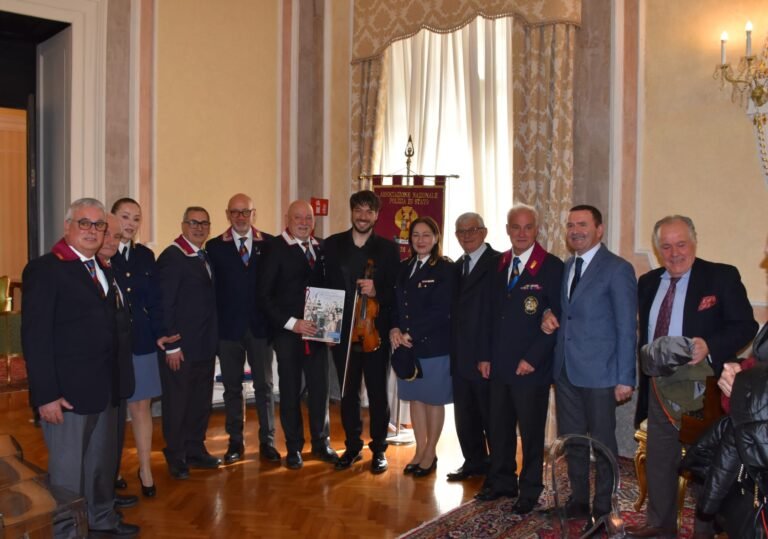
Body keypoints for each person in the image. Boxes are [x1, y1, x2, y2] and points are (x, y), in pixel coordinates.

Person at [626, 215, 757, 539]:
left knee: (706, 463)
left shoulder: (721, 276)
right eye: (666, 246)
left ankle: (704, 530)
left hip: (706, 389)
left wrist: (708, 345)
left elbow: (746, 326)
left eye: (681, 244)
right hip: (660, 386)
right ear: (658, 250)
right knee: (659, 458)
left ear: (694, 243)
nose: (674, 253)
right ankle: (660, 524)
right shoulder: (648, 282)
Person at [22, 198, 140, 537]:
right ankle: (68, 533)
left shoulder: (100, 267)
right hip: (67, 396)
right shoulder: (46, 269)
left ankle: (101, 520)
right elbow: (36, 338)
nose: (92, 231)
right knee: (67, 475)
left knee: (100, 467)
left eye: (98, 225)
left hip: (104, 390)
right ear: (67, 227)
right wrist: (46, 396)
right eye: (83, 223)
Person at [541, 204, 637, 531]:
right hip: (566, 370)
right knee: (573, 441)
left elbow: (627, 327)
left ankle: (603, 506)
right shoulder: (568, 266)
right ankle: (579, 499)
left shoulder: (617, 268)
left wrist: (626, 377)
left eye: (582, 224)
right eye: (570, 225)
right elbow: (566, 313)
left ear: (599, 229)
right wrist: (546, 317)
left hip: (601, 373)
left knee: (603, 442)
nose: (575, 230)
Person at [475, 204, 563, 513]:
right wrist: (484, 356)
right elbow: (487, 313)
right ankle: (502, 481)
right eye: (516, 227)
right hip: (498, 365)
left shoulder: (551, 266)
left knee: (531, 432)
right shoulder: (498, 264)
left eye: (528, 227)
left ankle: (530, 490)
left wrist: (533, 359)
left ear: (537, 230)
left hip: (530, 368)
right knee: (498, 428)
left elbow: (556, 320)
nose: (522, 233)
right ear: (508, 229)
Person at [323, 190, 400, 474]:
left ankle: (379, 449)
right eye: (359, 210)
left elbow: (396, 291)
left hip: (373, 333)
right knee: (347, 392)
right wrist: (328, 332)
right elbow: (327, 289)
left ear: (377, 215)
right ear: (352, 211)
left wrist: (377, 290)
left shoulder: (388, 250)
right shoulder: (332, 245)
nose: (363, 216)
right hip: (342, 333)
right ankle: (352, 446)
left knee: (378, 393)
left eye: (369, 211)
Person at [258, 200, 336, 469]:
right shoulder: (273, 249)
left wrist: (330, 328)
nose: (304, 222)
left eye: (308, 217)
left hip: (318, 334)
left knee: (320, 389)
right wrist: (293, 323)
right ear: (287, 218)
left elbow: (330, 291)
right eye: (298, 217)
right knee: (290, 391)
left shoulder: (323, 248)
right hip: (288, 334)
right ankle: (294, 448)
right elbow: (264, 297)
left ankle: (321, 442)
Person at [206, 193, 279, 465]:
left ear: (253, 214)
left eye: (245, 212)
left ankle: (267, 441)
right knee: (232, 389)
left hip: (261, 329)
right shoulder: (215, 247)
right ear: (227, 215)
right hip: (228, 330)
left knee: (264, 387)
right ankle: (235, 442)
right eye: (235, 212)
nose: (240, 217)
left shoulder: (270, 244)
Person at [156, 206, 221, 479]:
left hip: (204, 345)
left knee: (200, 402)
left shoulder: (202, 255)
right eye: (193, 223)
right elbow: (164, 304)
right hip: (180, 349)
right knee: (177, 403)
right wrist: (172, 345)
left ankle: (195, 448)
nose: (199, 227)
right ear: (183, 225)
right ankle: (176, 454)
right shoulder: (172, 257)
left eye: (204, 223)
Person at [390, 216, 455, 477]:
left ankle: (430, 452)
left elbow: (442, 311)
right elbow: (396, 304)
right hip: (406, 346)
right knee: (415, 399)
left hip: (433, 346)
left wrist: (411, 333)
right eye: (416, 235)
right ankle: (419, 449)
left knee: (432, 400)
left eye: (426, 234)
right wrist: (394, 329)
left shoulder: (445, 269)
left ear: (436, 237)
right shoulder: (404, 267)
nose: (421, 240)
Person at [110, 197, 166, 497]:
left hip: (142, 341)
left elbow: (155, 301)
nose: (130, 224)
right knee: (114, 409)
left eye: (135, 218)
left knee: (141, 408)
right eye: (124, 216)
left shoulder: (146, 256)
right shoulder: (102, 252)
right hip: (111, 344)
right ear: (112, 218)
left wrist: (162, 335)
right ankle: (112, 467)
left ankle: (145, 469)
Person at [447, 212, 498, 482]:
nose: (467, 236)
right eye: (461, 232)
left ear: (485, 231)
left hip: (485, 356)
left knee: (491, 417)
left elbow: (497, 315)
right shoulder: (456, 266)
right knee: (465, 416)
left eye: (472, 230)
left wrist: (486, 354)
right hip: (460, 355)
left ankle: (497, 468)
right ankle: (473, 462)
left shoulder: (499, 263)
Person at [98, 212, 140, 510]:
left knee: (112, 440)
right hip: (95, 376)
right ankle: (97, 507)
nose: (112, 240)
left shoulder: (109, 270)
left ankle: (106, 496)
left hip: (116, 372)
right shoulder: (77, 271)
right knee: (96, 446)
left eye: (116, 236)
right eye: (107, 234)